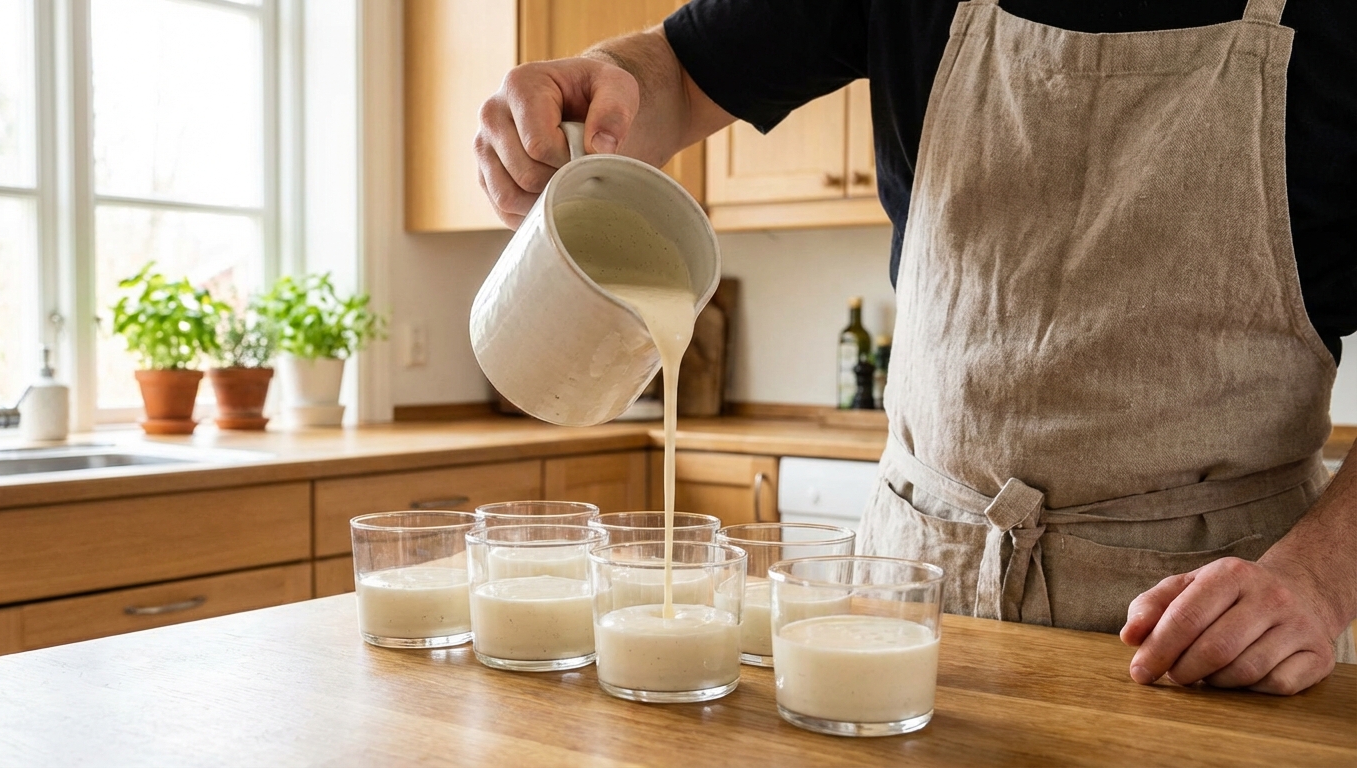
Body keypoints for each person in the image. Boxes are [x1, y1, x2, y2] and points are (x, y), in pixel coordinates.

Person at [473, 0, 1357, 695]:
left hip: (1207, 634)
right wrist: (600, 87)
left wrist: (1319, 578)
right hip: (910, 602)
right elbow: (675, 73)